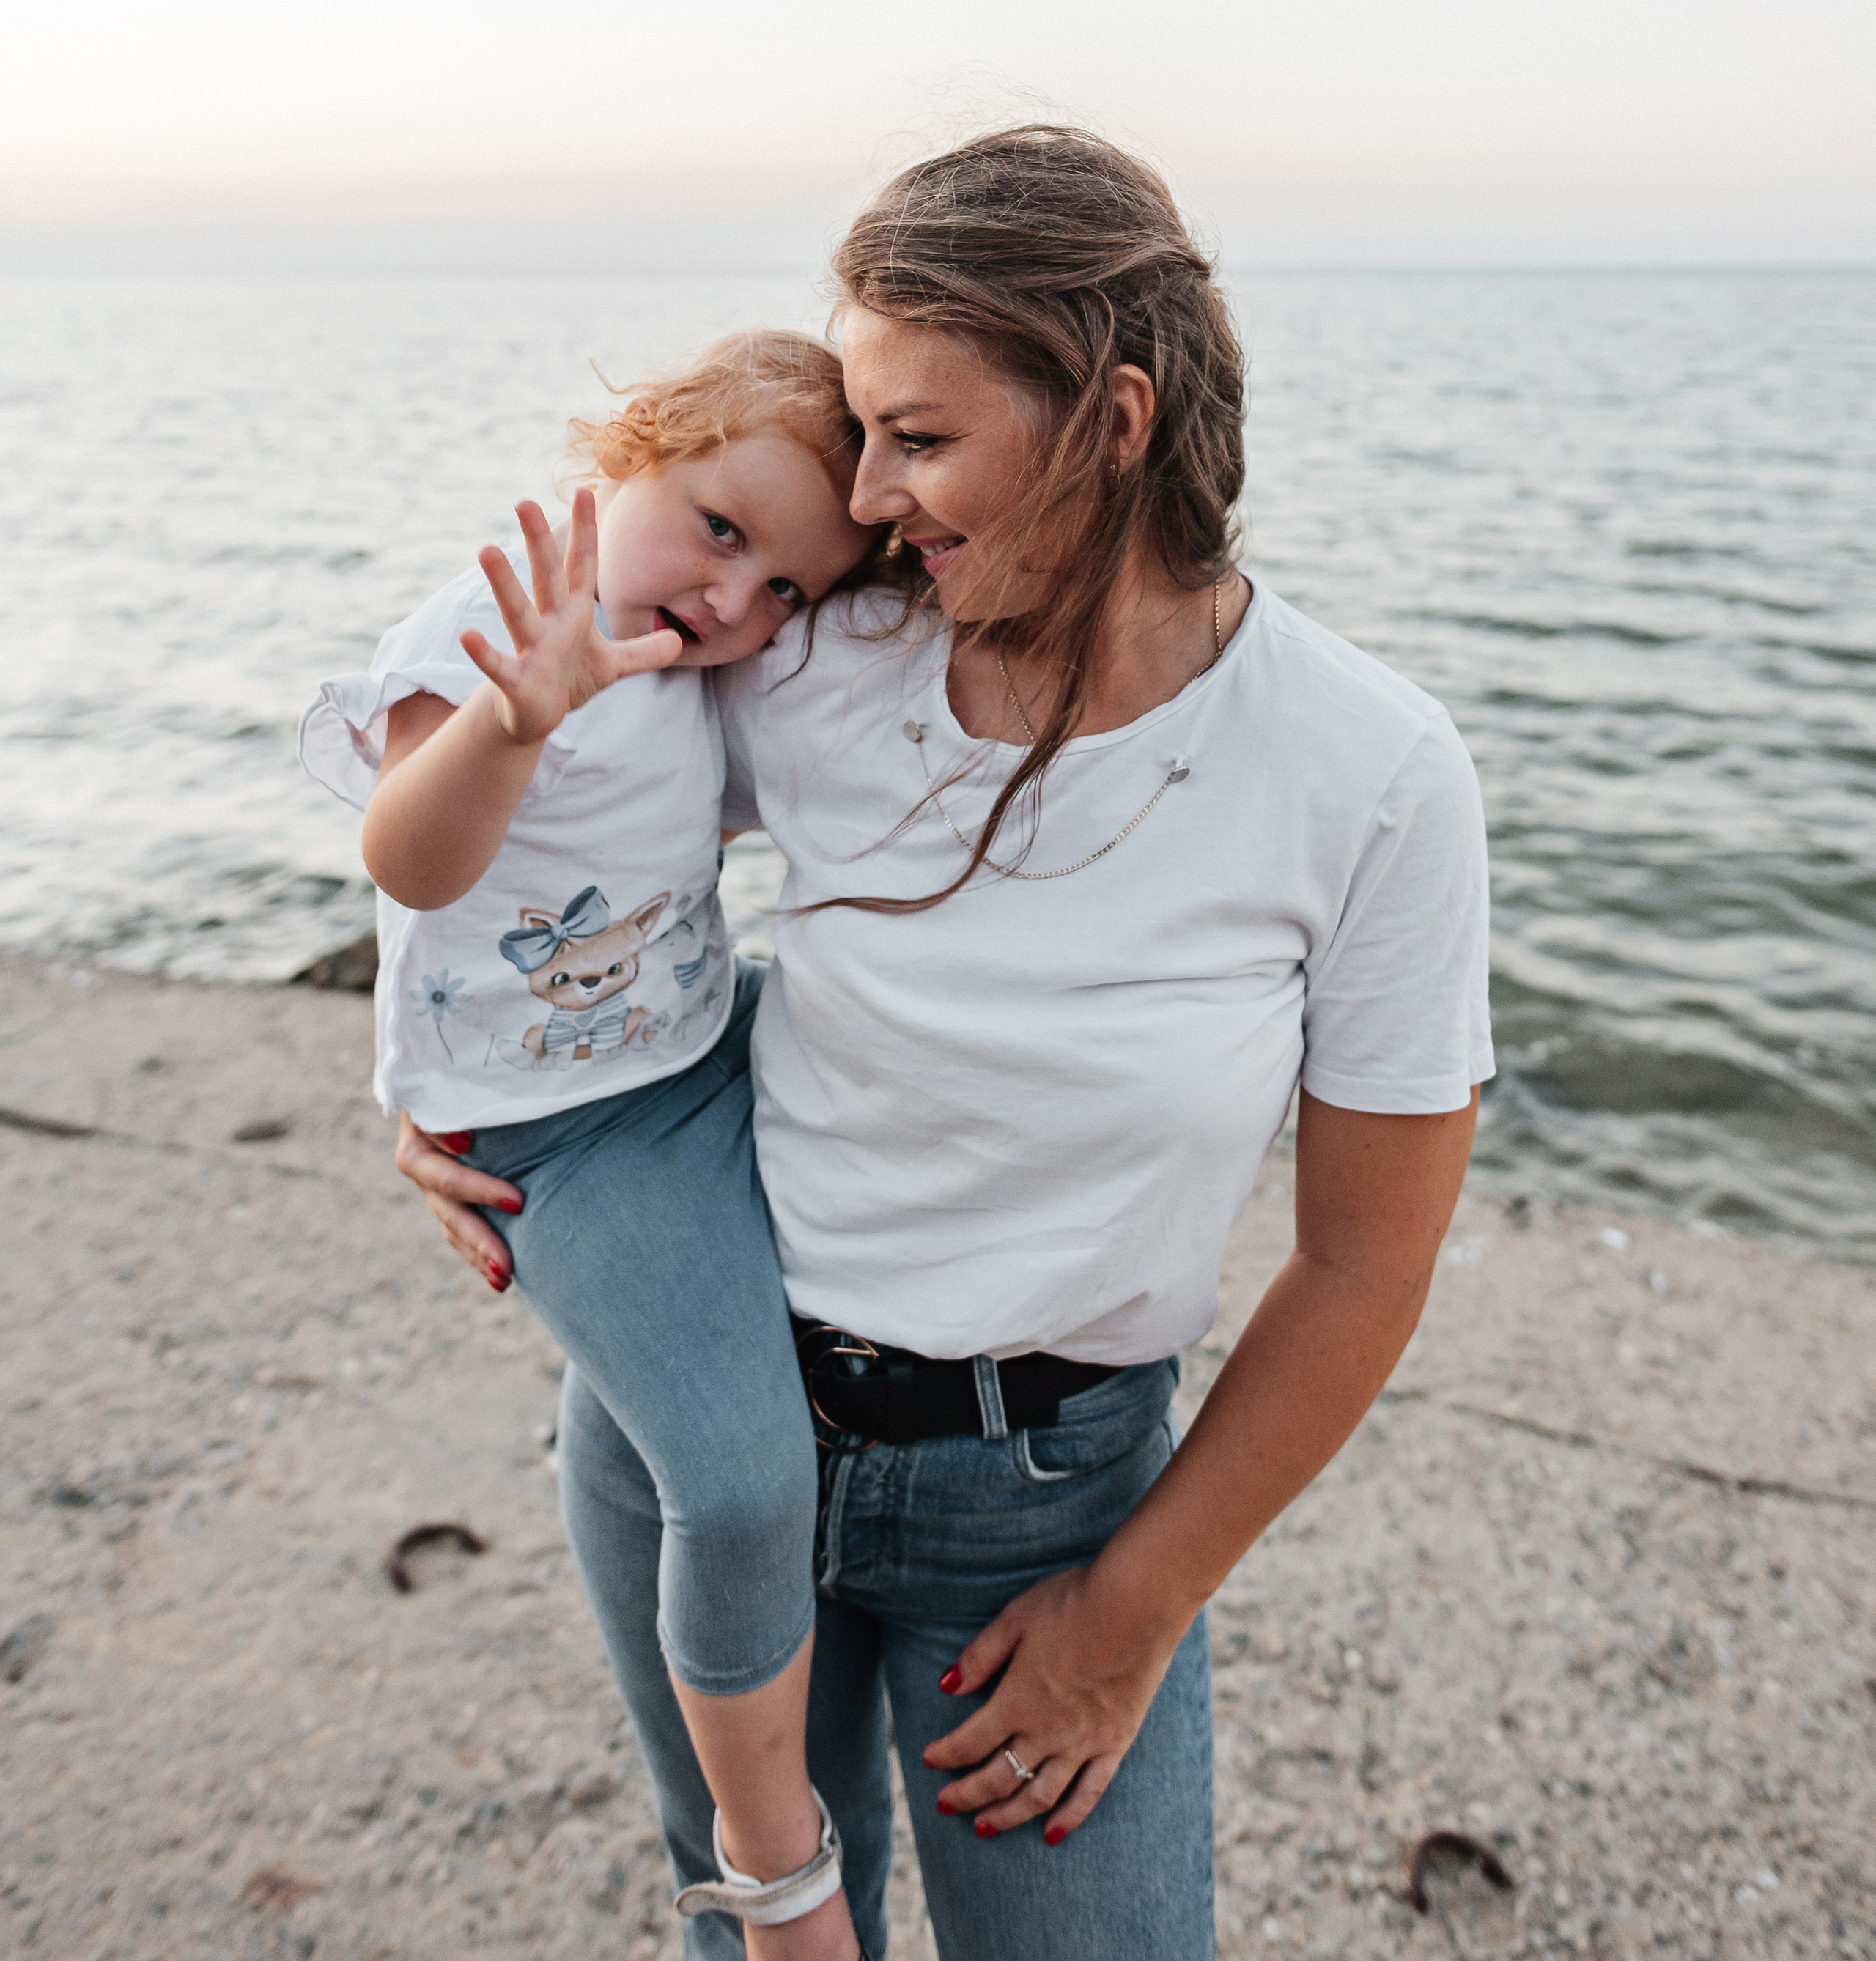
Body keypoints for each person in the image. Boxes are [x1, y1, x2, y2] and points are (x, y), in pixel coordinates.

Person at [396, 126, 1493, 1960]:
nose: (873, 497)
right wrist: (453, 1096)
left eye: (919, 437)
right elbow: (540, 845)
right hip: (707, 1428)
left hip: (1047, 1513)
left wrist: (1129, 1615)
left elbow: (1362, 1260)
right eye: (861, 437)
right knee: (755, 1931)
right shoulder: (818, 648)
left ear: (1112, 419)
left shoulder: (1368, 772)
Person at [300, 330, 882, 1961]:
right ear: (632, 446)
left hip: (695, 1038)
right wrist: (508, 721)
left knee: (676, 1428)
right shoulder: (504, 636)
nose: (737, 599)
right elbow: (405, 863)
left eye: (785, 588)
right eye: (716, 526)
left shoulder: (705, 662)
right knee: (745, 1478)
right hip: (563, 1123)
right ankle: (772, 1872)